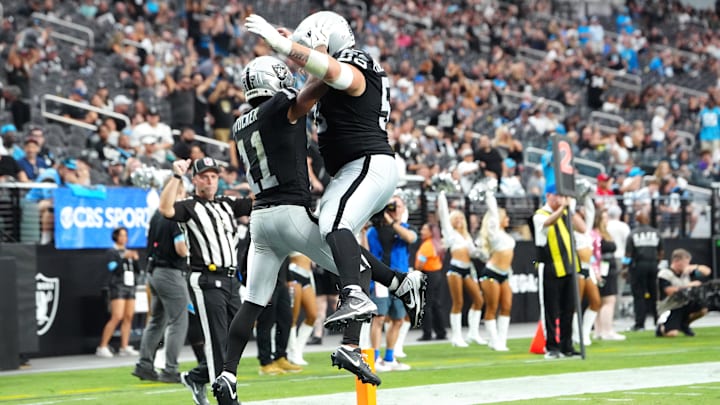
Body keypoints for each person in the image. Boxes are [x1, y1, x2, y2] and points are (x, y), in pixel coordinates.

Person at [212, 55, 426, 405]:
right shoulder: (281, 105)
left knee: (252, 302)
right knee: (352, 266)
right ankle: (352, 345)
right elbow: (321, 83)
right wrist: (325, 60)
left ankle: (227, 374)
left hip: (260, 219)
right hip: (290, 212)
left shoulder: (240, 123)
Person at [245, 11, 400, 330]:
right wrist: (296, 46)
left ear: (324, 38)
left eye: (311, 49)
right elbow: (321, 74)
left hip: (367, 161)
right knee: (333, 228)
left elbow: (336, 73)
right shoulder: (333, 66)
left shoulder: (355, 61)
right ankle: (398, 286)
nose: (303, 65)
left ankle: (355, 294)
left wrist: (286, 47)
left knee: (334, 222)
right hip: (351, 168)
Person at [159, 157, 252, 405]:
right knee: (218, 340)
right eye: (204, 176)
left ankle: (196, 377)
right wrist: (176, 176)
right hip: (208, 279)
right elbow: (166, 209)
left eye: (213, 176)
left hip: (232, 281)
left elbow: (257, 203)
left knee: (238, 336)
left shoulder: (227, 203)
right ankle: (226, 399)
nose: (210, 180)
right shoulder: (189, 206)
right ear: (195, 179)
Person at [132, 178, 189, 383]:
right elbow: (181, 249)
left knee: (157, 320)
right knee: (178, 321)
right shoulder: (174, 215)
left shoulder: (156, 215)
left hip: (154, 271)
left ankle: (144, 364)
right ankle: (170, 369)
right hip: (170, 273)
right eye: (182, 189)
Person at [532, 184, 584, 359]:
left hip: (569, 267)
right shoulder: (540, 214)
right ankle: (551, 347)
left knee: (568, 309)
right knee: (550, 309)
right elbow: (548, 222)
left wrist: (571, 210)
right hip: (549, 267)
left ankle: (566, 345)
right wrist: (563, 207)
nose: (560, 199)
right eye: (557, 196)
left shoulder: (565, 214)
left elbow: (582, 228)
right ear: (548, 196)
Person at [366, 195, 417, 371]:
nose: (396, 209)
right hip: (381, 279)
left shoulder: (404, 228)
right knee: (379, 318)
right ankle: (374, 358)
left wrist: (392, 222)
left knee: (398, 320)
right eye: (392, 206)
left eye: (399, 206)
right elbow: (366, 251)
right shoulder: (374, 231)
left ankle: (389, 358)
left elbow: (410, 238)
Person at [437, 190, 485, 347]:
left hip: (468, 269)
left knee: (479, 299)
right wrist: (442, 197)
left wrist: (481, 251)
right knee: (458, 302)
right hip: (455, 270)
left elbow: (472, 253)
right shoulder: (449, 234)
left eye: (460, 218)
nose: (458, 220)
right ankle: (456, 337)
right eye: (455, 218)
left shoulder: (466, 236)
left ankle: (473, 333)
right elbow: (443, 216)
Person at [477, 190, 515, 351]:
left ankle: (501, 340)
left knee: (506, 306)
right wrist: (489, 194)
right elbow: (493, 213)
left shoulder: (506, 235)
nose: (508, 219)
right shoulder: (494, 233)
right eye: (505, 217)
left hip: (504, 274)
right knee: (492, 308)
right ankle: (494, 341)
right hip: (491, 273)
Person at [96, 227, 141, 358]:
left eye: (125, 235)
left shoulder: (129, 251)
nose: (124, 238)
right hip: (118, 286)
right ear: (116, 237)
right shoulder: (112, 252)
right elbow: (113, 268)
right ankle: (102, 346)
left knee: (129, 316)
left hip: (130, 285)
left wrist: (135, 259)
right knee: (117, 316)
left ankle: (124, 346)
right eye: (121, 235)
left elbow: (138, 270)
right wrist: (123, 258)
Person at [656, 249, 711, 337]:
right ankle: (661, 327)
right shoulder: (665, 273)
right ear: (677, 261)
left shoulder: (686, 272)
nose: (687, 265)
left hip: (683, 304)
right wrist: (689, 285)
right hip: (670, 307)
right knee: (672, 334)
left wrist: (695, 267)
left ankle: (684, 324)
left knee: (703, 308)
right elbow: (669, 291)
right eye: (686, 263)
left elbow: (707, 272)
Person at [625, 211, 663, 331]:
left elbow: (628, 254)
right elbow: (661, 252)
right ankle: (658, 321)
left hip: (638, 265)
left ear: (637, 220)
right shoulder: (656, 233)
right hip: (652, 264)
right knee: (654, 294)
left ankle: (640, 323)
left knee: (638, 295)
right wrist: (656, 263)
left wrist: (625, 268)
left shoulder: (633, 234)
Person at [571, 193, 601, 346]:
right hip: (576, 268)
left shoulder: (587, 229)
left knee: (596, 301)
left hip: (588, 268)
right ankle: (577, 335)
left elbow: (591, 212)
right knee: (576, 302)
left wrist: (587, 195)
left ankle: (585, 331)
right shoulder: (570, 232)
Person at [591, 209, 625, 341]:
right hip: (603, 268)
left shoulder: (604, 233)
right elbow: (594, 254)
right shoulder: (595, 234)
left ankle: (600, 331)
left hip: (607, 267)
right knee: (608, 300)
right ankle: (607, 330)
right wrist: (596, 270)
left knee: (602, 301)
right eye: (604, 218)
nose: (607, 220)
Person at [415, 223, 447, 341]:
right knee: (436, 304)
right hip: (437, 274)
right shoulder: (437, 244)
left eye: (424, 229)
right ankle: (441, 332)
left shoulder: (427, 245)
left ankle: (427, 333)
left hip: (428, 275)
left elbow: (420, 263)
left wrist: (417, 271)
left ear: (430, 232)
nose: (421, 232)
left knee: (426, 305)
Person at [286, 253, 318, 366]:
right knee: (293, 316)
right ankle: (292, 352)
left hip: (308, 274)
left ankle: (298, 351)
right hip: (294, 272)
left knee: (313, 315)